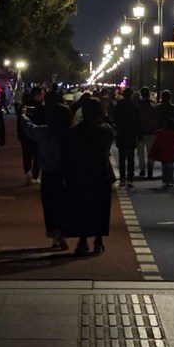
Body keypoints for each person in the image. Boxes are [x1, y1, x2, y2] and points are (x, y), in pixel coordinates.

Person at [62, 97, 115, 256]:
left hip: (81, 173)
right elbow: (110, 134)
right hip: (101, 173)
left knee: (82, 207)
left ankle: (82, 240)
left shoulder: (75, 132)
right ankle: (98, 240)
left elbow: (69, 154)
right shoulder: (105, 131)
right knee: (101, 208)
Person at [21, 103, 72, 250]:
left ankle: (54, 235)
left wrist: (23, 116)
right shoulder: (71, 133)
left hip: (49, 174)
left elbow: (30, 128)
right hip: (66, 174)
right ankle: (64, 233)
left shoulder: (45, 131)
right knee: (65, 205)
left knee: (50, 206)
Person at [113, 87, 142, 187]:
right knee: (130, 158)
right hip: (131, 134)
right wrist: (139, 134)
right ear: (131, 95)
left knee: (122, 158)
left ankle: (122, 179)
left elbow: (115, 118)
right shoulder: (134, 106)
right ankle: (130, 179)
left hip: (122, 133)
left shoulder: (119, 105)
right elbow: (138, 121)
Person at [149, 118, 174, 187]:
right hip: (171, 153)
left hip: (163, 152)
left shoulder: (161, 133)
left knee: (164, 166)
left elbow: (157, 142)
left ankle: (165, 180)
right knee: (170, 166)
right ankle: (170, 181)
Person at [136, 87, 159, 178]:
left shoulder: (138, 106)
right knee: (151, 152)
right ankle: (150, 167)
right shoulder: (154, 106)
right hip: (151, 132)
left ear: (141, 95)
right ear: (149, 94)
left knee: (140, 153)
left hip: (140, 132)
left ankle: (142, 169)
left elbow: (136, 120)